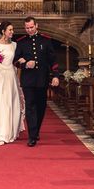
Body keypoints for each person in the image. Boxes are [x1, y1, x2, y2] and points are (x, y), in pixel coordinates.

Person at [13, 16, 60, 146]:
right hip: (28, 80)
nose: (29, 30)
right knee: (30, 106)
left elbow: (53, 61)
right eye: (27, 28)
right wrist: (25, 65)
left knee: (41, 106)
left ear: (36, 25)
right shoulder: (21, 42)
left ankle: (36, 129)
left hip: (42, 79)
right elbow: (15, 61)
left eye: (31, 27)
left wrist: (55, 76)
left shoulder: (46, 40)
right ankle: (32, 136)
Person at [0, 21, 25, 145]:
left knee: (10, 103)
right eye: (10, 30)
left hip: (11, 76)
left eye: (12, 30)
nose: (12, 32)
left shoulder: (14, 45)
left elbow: (16, 61)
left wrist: (21, 61)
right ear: (3, 31)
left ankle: (10, 132)